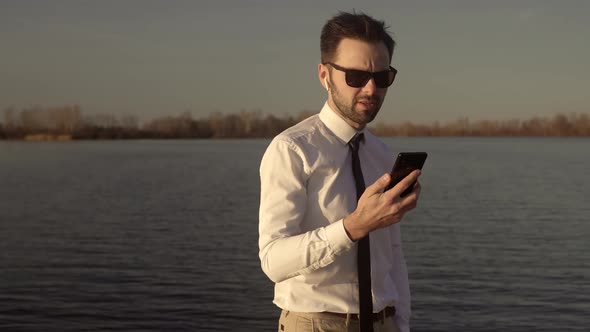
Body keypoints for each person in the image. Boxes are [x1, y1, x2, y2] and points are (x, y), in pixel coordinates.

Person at [258, 11, 422, 332]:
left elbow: (393, 254)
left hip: (383, 322)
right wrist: (352, 227)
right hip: (316, 324)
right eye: (356, 77)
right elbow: (273, 261)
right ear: (324, 75)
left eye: (382, 76)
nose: (371, 89)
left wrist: (401, 322)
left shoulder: (380, 153)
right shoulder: (292, 150)